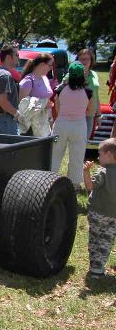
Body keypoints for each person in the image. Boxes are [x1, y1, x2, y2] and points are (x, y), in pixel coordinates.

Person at [51, 62, 93, 190]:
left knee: (55, 153)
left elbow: (57, 108)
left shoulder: (60, 89)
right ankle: (74, 184)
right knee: (77, 155)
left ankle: (49, 180)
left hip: (61, 124)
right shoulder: (88, 92)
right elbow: (90, 110)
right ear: (82, 75)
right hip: (79, 125)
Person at [83, 138, 116, 278]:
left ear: (109, 154)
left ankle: (94, 266)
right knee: (106, 241)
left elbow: (90, 186)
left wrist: (86, 172)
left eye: (100, 154)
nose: (98, 157)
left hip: (97, 213)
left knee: (95, 239)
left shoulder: (103, 172)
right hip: (113, 215)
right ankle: (98, 267)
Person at [17, 53, 54, 137]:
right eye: (50, 65)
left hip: (44, 124)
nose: (51, 68)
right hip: (31, 127)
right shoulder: (28, 81)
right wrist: (43, 104)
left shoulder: (45, 79)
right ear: (42, 64)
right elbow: (23, 107)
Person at [0, 45, 21, 135]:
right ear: (8, 57)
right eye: (16, 55)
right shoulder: (5, 75)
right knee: (10, 144)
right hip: (5, 121)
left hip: (0, 120)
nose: (18, 58)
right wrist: (17, 114)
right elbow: (3, 101)